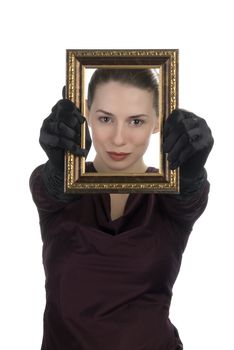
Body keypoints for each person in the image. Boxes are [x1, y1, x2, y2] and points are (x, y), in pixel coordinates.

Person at [29, 69, 214, 350]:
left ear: (157, 122)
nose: (118, 139)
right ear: (87, 114)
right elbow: (51, 189)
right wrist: (60, 164)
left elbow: (189, 197)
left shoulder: (169, 195)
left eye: (136, 121)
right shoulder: (59, 190)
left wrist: (191, 171)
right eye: (105, 118)